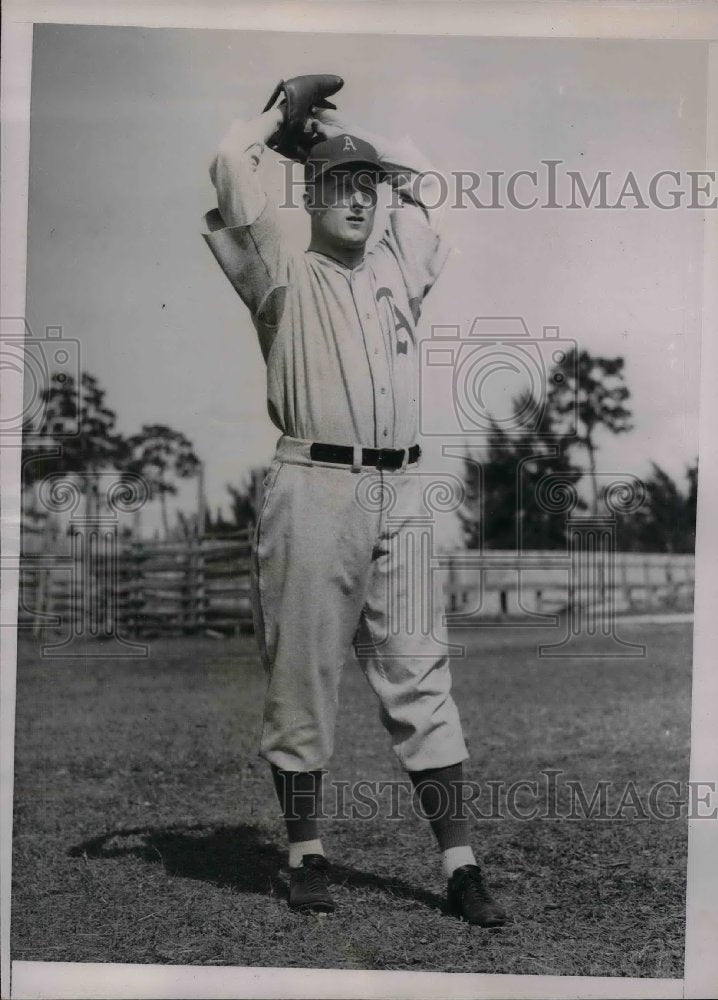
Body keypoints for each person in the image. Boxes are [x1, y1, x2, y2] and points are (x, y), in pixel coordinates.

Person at [203, 79, 507, 927]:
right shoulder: (278, 269)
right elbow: (232, 158)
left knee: (422, 671)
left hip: (402, 488)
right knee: (303, 676)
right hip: (314, 485)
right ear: (309, 192)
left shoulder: (398, 267)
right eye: (340, 184)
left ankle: (460, 865)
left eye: (368, 187)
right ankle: (305, 854)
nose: (360, 198)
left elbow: (431, 185)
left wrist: (339, 137)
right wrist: (283, 117)